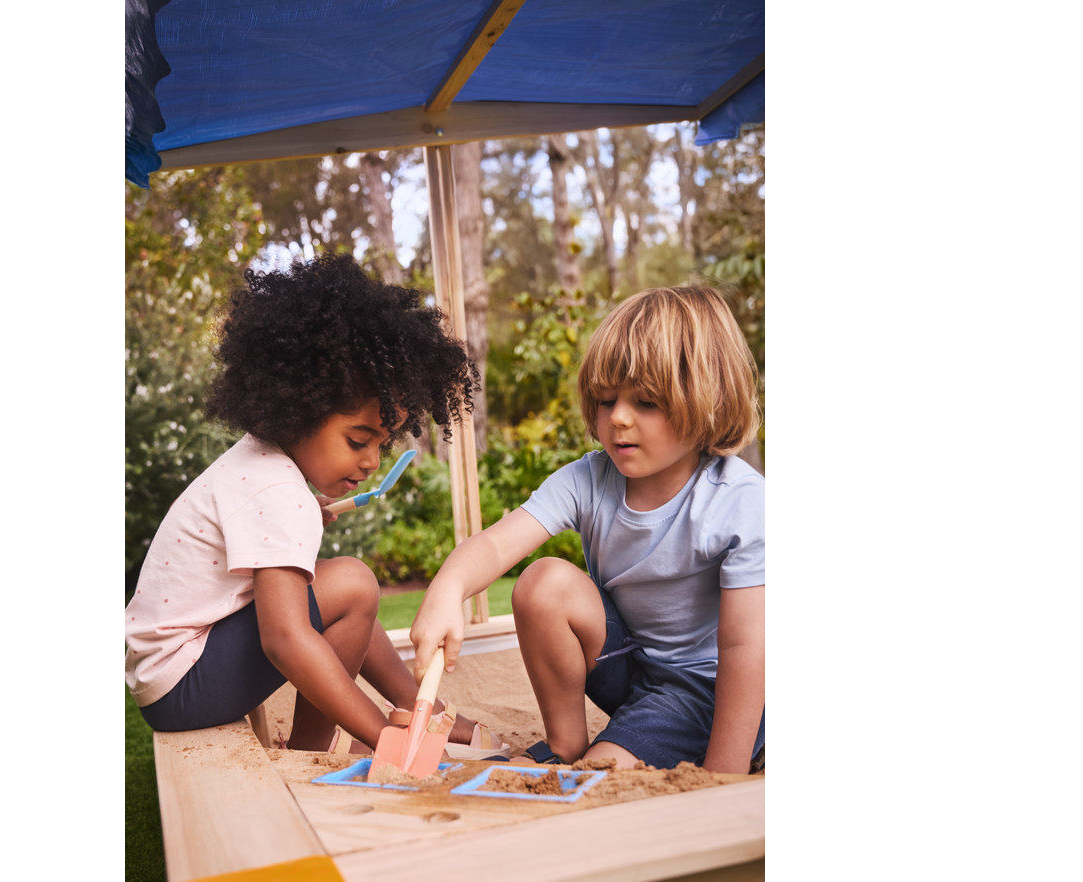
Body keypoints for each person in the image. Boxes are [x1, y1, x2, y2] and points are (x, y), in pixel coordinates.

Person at [125, 254, 507, 758]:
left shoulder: (262, 466)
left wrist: (302, 514)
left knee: (347, 601)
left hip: (172, 671)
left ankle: (417, 707)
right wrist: (378, 737)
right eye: (357, 439)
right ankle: (315, 747)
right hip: (182, 683)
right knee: (351, 584)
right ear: (301, 410)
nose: (371, 461)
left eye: (382, 443)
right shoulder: (277, 492)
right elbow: (283, 639)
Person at [409, 286, 764, 773]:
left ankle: (663, 745)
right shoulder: (589, 478)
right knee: (543, 582)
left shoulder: (739, 501)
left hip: (709, 687)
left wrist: (724, 775)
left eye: (646, 402)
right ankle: (565, 741)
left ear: (708, 403)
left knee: (604, 771)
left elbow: (745, 648)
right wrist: (448, 589)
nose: (618, 417)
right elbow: (493, 546)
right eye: (605, 399)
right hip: (634, 667)